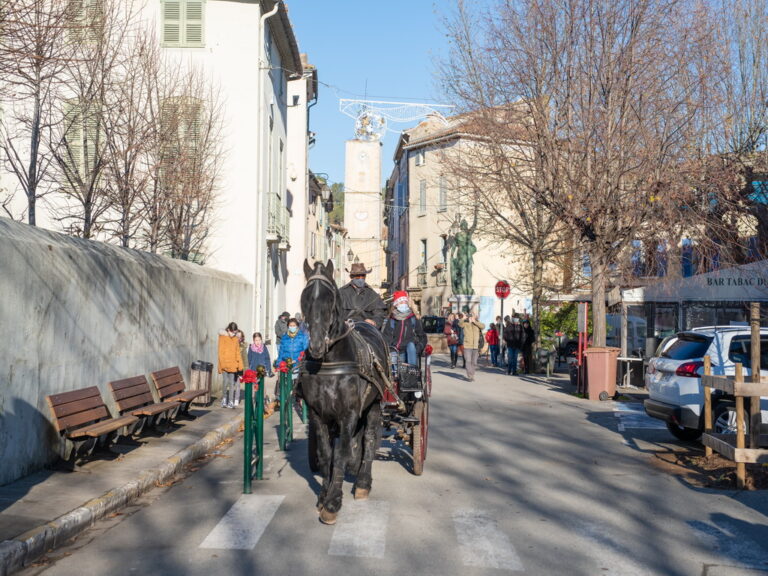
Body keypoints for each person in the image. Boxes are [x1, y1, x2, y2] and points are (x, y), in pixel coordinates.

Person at [383, 291, 427, 367]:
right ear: (396, 304)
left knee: (411, 345)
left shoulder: (412, 318)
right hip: (396, 352)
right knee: (394, 372)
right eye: (401, 302)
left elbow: (422, 336)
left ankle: (412, 373)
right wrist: (389, 350)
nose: (403, 303)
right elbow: (386, 338)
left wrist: (418, 348)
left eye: (405, 301)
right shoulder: (392, 320)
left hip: (411, 352)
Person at [338, 262, 388, 329]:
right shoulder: (341, 292)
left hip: (366, 329)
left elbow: (380, 312)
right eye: (358, 276)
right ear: (352, 277)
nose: (361, 279)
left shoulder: (372, 293)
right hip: (344, 329)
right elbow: (334, 312)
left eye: (363, 276)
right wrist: (341, 322)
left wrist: (374, 322)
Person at [218, 321, 243, 408]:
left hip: (233, 365)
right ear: (228, 330)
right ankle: (224, 399)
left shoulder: (235, 339)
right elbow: (220, 352)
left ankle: (231, 401)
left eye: (235, 332)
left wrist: (240, 366)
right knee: (225, 382)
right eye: (232, 332)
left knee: (232, 383)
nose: (234, 334)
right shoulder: (222, 337)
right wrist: (221, 365)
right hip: (225, 365)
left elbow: (237, 353)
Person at [248, 332, 275, 406]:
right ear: (253, 340)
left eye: (259, 340)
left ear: (261, 340)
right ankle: (255, 400)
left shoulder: (264, 347)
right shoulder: (251, 348)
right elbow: (249, 359)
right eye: (256, 340)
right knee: (255, 386)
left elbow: (267, 359)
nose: (258, 342)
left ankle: (263, 401)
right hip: (253, 370)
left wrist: (269, 369)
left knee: (263, 386)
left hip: (262, 370)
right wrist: (250, 368)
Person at [458, 311, 485, 382]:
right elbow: (460, 324)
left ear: (475, 316)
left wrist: (474, 321)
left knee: (474, 362)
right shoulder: (465, 323)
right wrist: (463, 318)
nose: (471, 316)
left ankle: (472, 374)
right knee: (468, 360)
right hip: (467, 345)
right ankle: (470, 376)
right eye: (470, 315)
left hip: (475, 346)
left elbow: (483, 326)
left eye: (473, 315)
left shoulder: (477, 323)